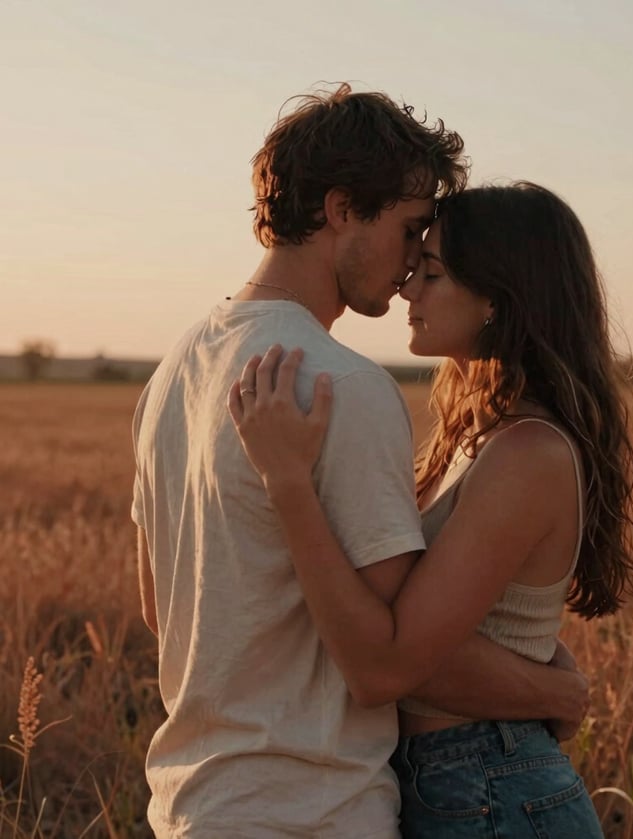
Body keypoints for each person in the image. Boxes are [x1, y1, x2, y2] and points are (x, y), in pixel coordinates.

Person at [132, 86, 590, 839]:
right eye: (411, 228)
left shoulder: (174, 370)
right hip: (312, 810)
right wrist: (549, 688)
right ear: (343, 208)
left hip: (196, 802)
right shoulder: (338, 382)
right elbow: (392, 657)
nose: (413, 264)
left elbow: (165, 608)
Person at [228, 182, 633, 837]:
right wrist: (549, 676)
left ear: (494, 297)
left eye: (432, 273)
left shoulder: (527, 451)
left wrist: (286, 480)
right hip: (460, 777)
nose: (407, 289)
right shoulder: (480, 436)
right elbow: (464, 613)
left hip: (490, 782)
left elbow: (390, 659)